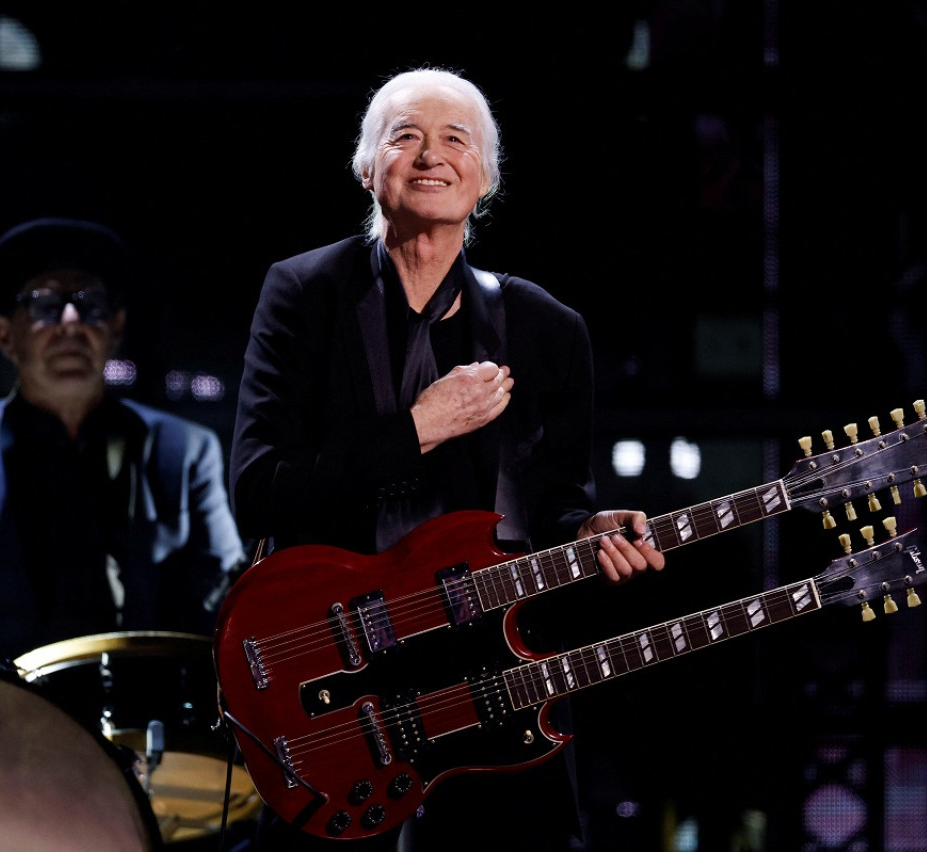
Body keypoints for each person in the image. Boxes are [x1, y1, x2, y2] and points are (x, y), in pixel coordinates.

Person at [228, 68, 667, 851]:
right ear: (368, 169)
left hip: (495, 687)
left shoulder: (549, 329)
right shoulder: (302, 293)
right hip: (338, 687)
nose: (431, 155)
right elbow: (260, 493)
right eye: (405, 137)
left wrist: (591, 527)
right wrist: (419, 428)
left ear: (486, 177)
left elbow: (560, 503)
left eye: (455, 139)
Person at [0, 217, 245, 667]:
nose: (71, 322)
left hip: (150, 717)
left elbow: (230, 603)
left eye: (89, 304)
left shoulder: (185, 450)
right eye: (44, 304)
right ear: (5, 336)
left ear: (115, 329)